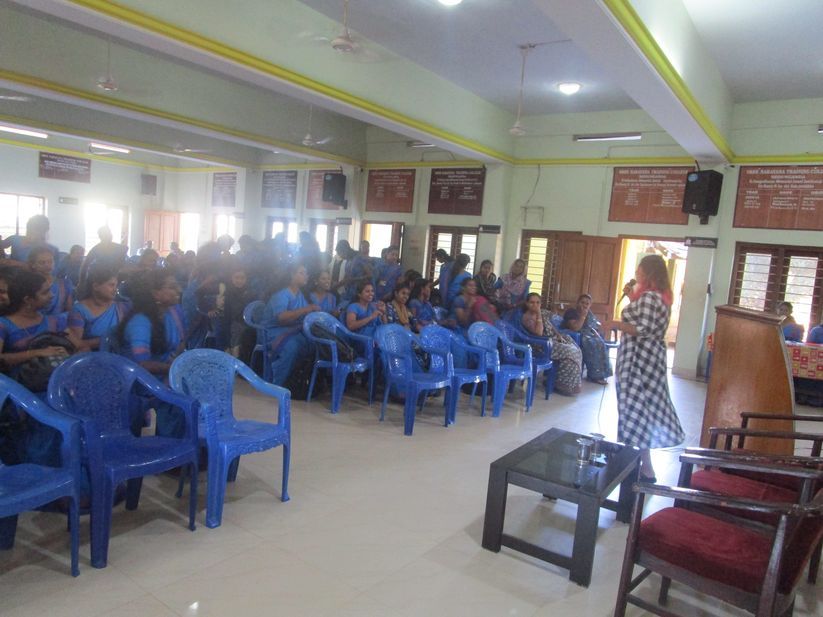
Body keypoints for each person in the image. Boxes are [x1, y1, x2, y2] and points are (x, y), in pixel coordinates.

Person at [604, 254, 685, 483]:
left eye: (639, 269)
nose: (636, 272)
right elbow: (644, 321)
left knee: (635, 410)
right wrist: (632, 298)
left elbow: (643, 329)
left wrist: (616, 324)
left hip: (639, 361)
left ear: (648, 272)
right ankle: (638, 463)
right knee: (640, 410)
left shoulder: (650, 297)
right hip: (649, 359)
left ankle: (642, 467)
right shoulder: (658, 297)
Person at [520, 293, 583, 396]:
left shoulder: (543, 313)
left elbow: (551, 325)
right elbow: (539, 333)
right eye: (532, 302)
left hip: (552, 340)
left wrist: (558, 335)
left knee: (576, 349)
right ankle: (562, 385)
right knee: (570, 352)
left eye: (538, 302)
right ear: (527, 303)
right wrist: (538, 314)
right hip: (541, 345)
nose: (535, 305)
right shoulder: (527, 317)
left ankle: (568, 384)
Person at [265, 263, 317, 387]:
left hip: (291, 330)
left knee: (313, 343)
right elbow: (281, 318)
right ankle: (278, 382)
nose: (306, 276)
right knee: (292, 346)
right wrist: (306, 309)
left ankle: (298, 381)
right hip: (274, 331)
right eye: (301, 273)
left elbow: (304, 315)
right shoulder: (281, 295)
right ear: (292, 275)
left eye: (306, 273)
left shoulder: (300, 295)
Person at [68, 266, 130, 351]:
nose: (115, 289)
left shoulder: (121, 307)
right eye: (111, 285)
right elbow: (76, 344)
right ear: (96, 286)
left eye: (116, 285)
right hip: (90, 355)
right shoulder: (79, 310)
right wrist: (110, 339)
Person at [562, 293, 614, 384]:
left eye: (587, 304)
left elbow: (594, 325)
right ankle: (595, 376)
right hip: (574, 336)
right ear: (577, 303)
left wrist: (598, 330)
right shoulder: (571, 312)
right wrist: (583, 316)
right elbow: (575, 328)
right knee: (592, 344)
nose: (584, 305)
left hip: (587, 335)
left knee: (600, 342)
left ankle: (601, 374)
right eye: (582, 302)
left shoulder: (589, 314)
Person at [28, 245, 73, 317]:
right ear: (33, 265)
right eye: (42, 262)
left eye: (50, 261)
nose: (47, 265)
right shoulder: (28, 284)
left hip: (60, 322)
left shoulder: (65, 284)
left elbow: (69, 310)